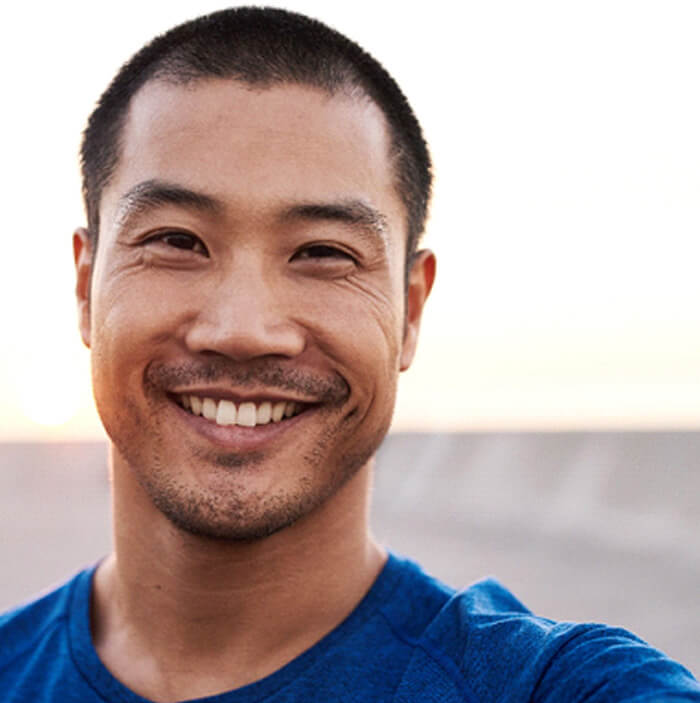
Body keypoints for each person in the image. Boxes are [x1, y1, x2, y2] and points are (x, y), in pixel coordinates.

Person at [1, 7, 698, 702]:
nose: (244, 329)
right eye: (177, 240)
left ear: (410, 310)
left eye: (324, 252)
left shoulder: (549, 687)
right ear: (87, 285)